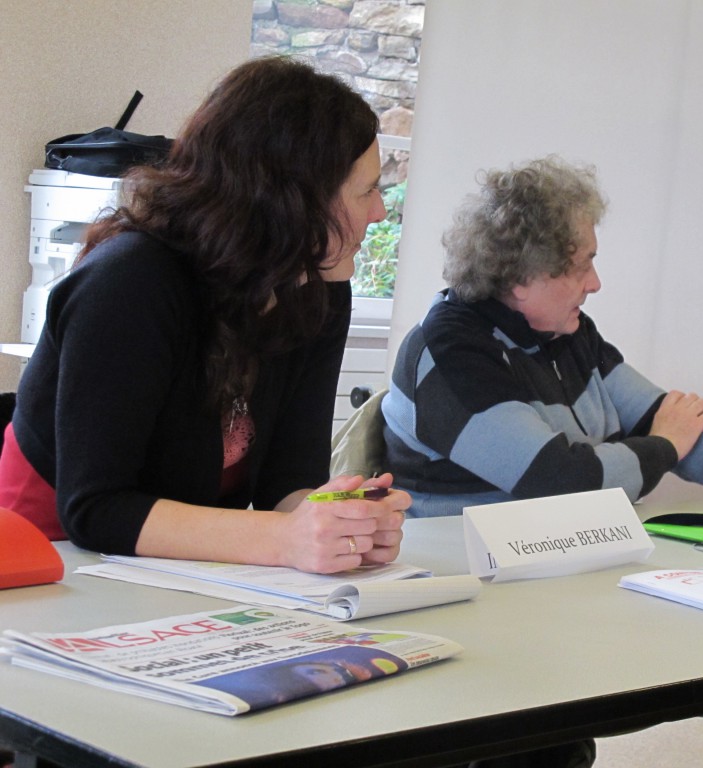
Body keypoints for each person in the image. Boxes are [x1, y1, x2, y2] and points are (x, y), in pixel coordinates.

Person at [381, 156, 703, 767]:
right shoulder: (450, 353)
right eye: (582, 266)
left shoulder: (567, 335)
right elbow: (564, 482)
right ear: (522, 279)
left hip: (583, 582)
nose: (595, 282)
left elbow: (690, 430)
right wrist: (662, 446)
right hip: (493, 611)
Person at [0, 56, 408, 574]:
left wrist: (341, 526)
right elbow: (96, 509)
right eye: (366, 190)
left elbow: (288, 483)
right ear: (290, 201)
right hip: (48, 553)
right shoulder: (129, 283)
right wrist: (285, 540)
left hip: (186, 559)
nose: (379, 212)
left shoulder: (318, 286)